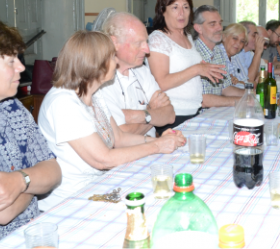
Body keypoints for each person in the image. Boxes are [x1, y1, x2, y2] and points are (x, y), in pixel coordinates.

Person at [38, 31, 186, 211]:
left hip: (97, 188)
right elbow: (103, 159)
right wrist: (157, 147)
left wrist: (160, 141)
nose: (116, 62)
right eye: (112, 57)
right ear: (95, 64)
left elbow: (119, 139)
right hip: (68, 202)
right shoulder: (63, 102)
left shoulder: (95, 95)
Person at [0, 18, 61, 248]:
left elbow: (54, 172)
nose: (20, 67)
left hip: (34, 232)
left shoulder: (12, 108)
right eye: (10, 61)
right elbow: (1, 214)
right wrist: (34, 184)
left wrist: (19, 181)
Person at [147, 0, 225, 127]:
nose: (181, 13)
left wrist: (207, 69)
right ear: (162, 11)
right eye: (175, 7)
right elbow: (161, 82)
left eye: (186, 7)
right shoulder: (158, 39)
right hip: (173, 114)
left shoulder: (187, 36)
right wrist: (197, 69)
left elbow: (190, 70)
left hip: (194, 110)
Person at [97, 12, 175, 137]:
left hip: (149, 148)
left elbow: (170, 114)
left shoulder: (141, 70)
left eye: (146, 42)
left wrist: (136, 115)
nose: (147, 50)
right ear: (114, 43)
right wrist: (151, 111)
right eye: (139, 43)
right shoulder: (100, 79)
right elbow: (121, 135)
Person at [193, 5, 245, 107]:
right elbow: (200, 99)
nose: (220, 28)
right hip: (199, 116)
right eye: (212, 24)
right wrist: (242, 101)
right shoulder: (192, 53)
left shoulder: (218, 51)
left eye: (220, 23)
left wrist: (252, 94)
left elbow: (225, 88)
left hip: (215, 112)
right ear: (198, 28)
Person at [220, 23, 248, 87]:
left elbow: (245, 82)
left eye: (242, 41)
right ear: (224, 37)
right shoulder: (216, 54)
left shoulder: (236, 56)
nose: (238, 43)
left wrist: (238, 81)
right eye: (235, 38)